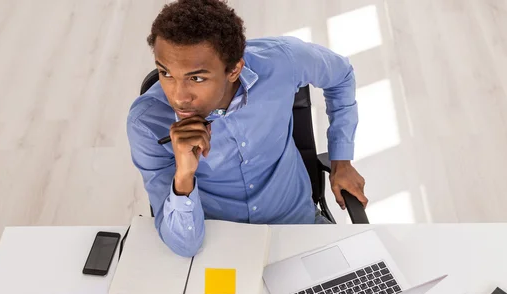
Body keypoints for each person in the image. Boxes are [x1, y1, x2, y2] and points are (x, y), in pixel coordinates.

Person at [127, 0, 368, 257]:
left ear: (234, 70)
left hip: (298, 228)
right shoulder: (147, 122)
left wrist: (341, 159)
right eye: (165, 73)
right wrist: (184, 177)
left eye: (196, 78)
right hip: (215, 247)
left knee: (363, 287)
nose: (178, 96)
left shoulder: (283, 61)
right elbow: (184, 245)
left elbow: (341, 76)